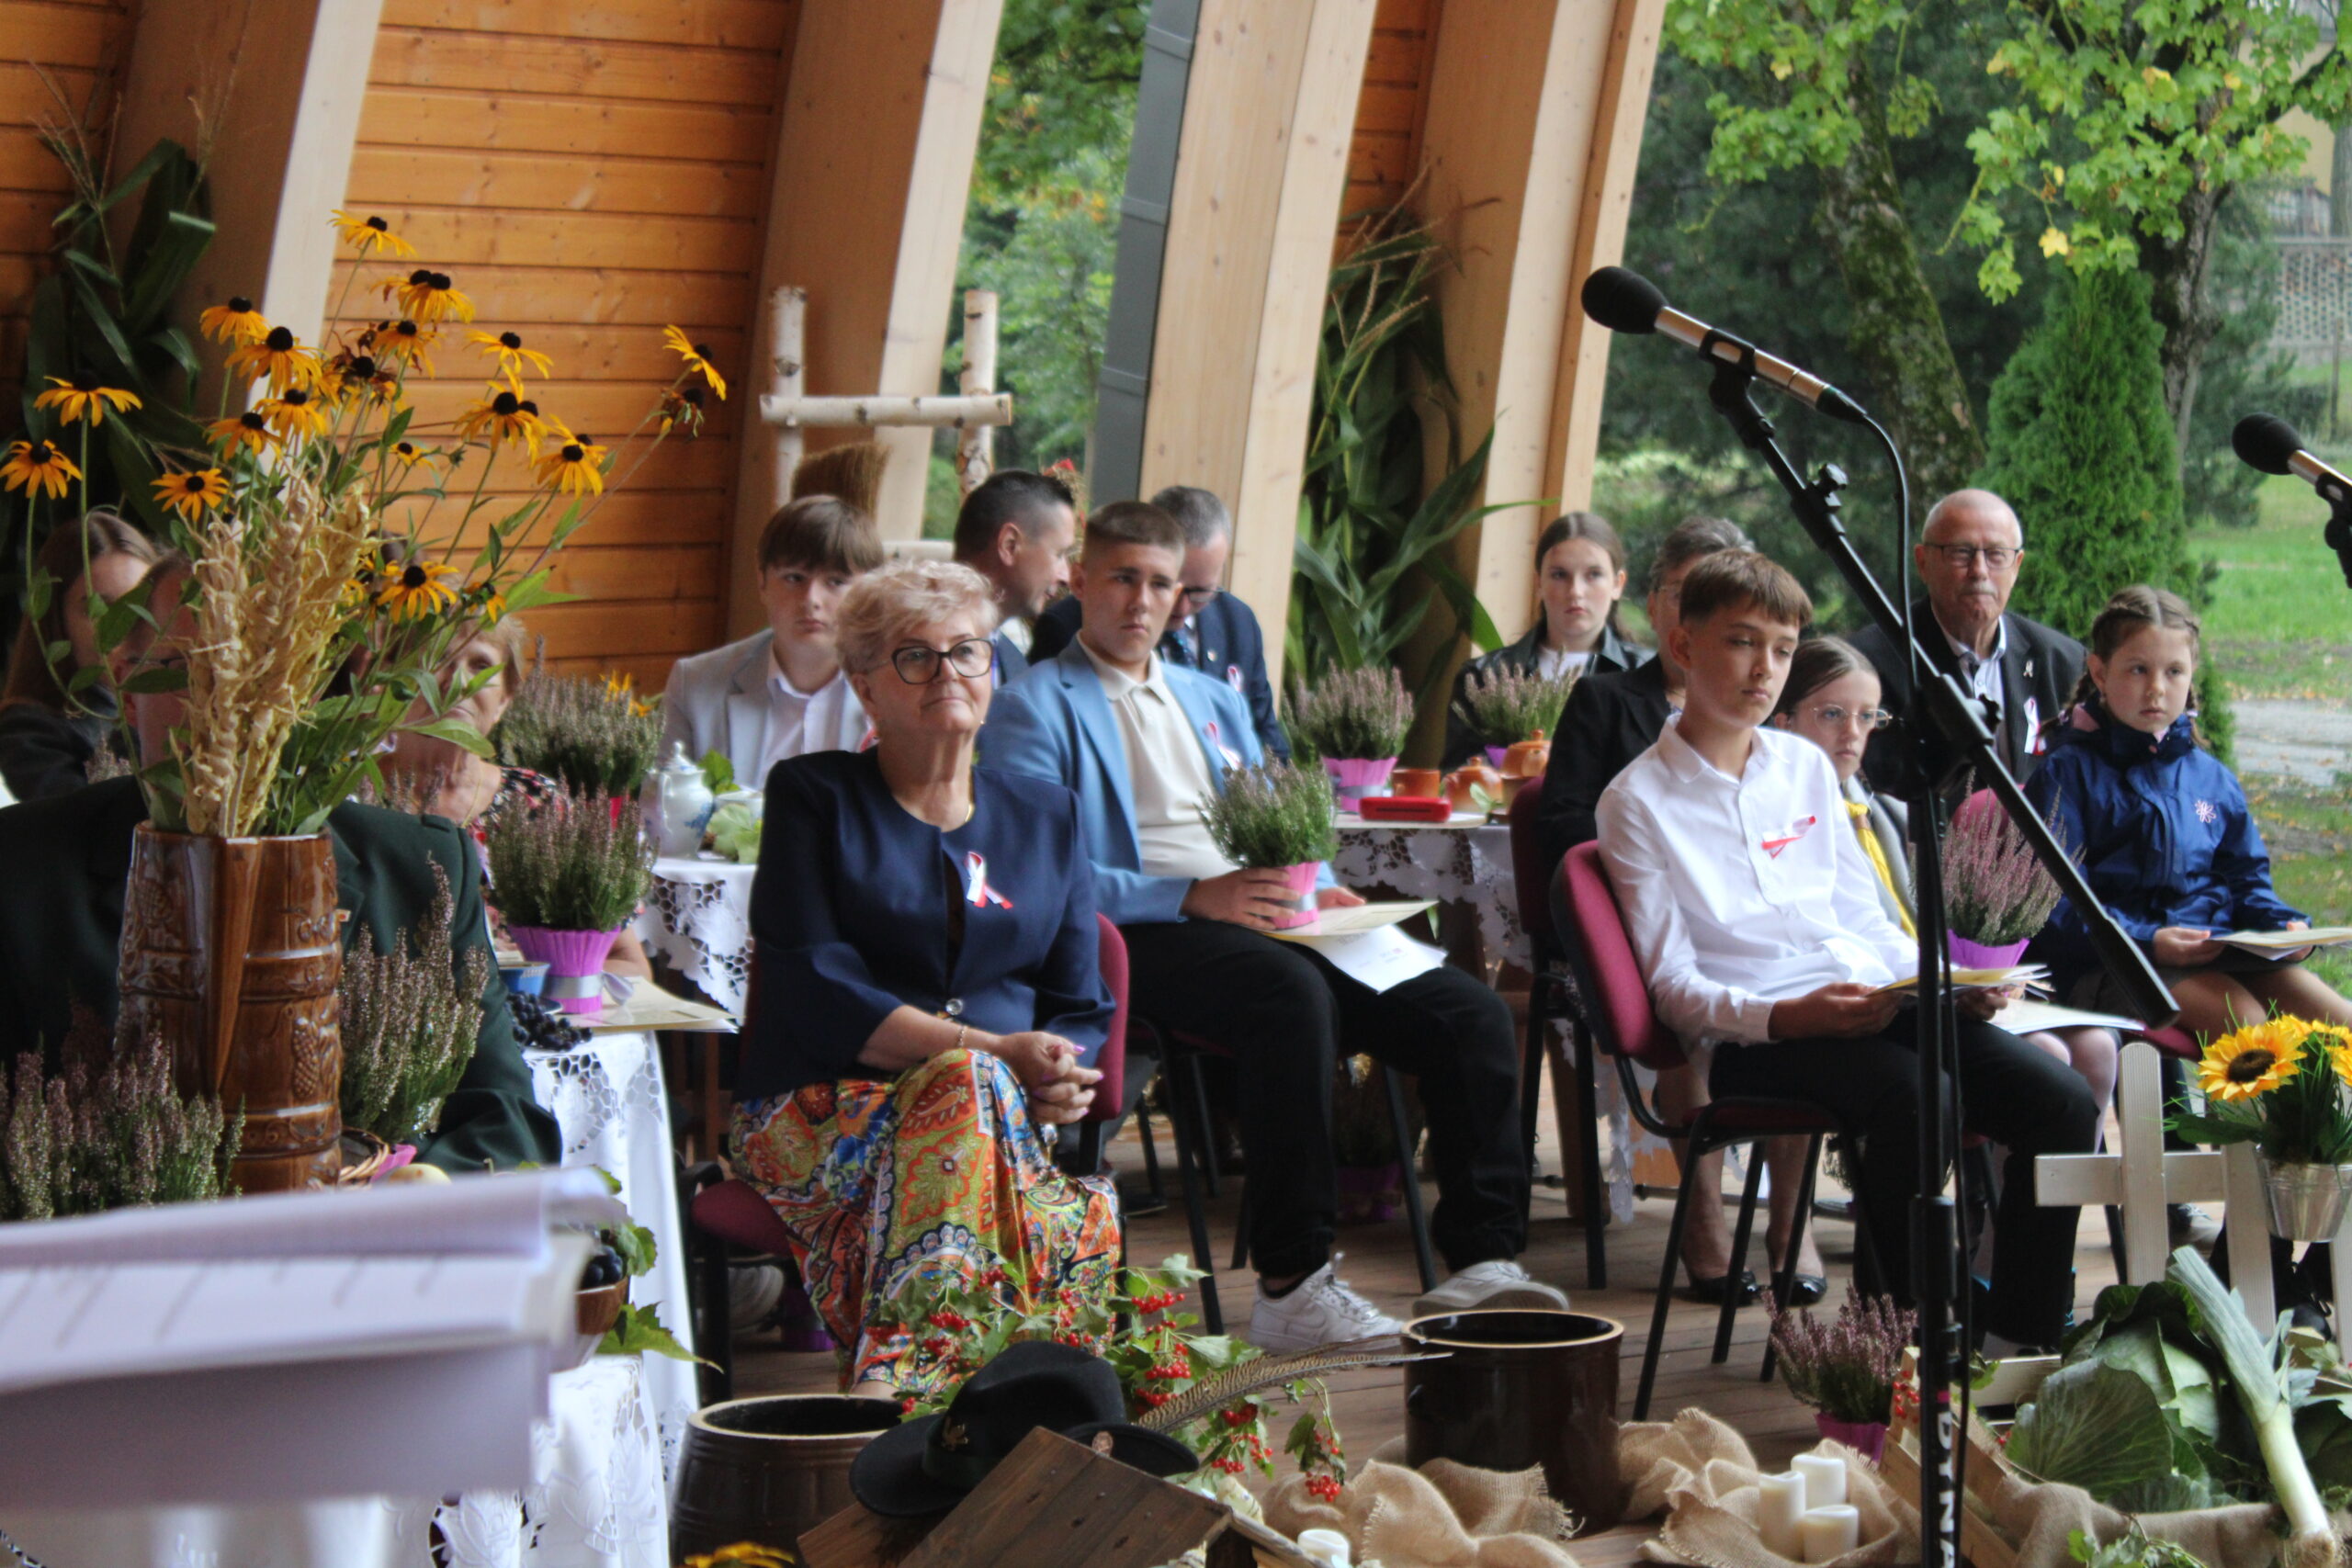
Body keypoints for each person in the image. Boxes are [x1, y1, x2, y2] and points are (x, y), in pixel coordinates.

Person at [986, 500, 1563, 1349]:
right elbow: (1042, 873)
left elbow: (1284, 810)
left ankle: (1482, 1263)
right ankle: (1294, 1284)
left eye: (1162, 584)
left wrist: (1319, 883)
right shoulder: (1034, 705)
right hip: (1142, 929)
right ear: (1079, 580)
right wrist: (1194, 894)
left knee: (1465, 1008)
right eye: (1122, 579)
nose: (1143, 602)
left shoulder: (1205, 694)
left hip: (1268, 915)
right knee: (1287, 998)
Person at [1598, 550, 2098, 1353]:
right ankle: (1905, 1343)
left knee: (2063, 1100)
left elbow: (1860, 915)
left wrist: (1939, 982)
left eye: (1785, 649)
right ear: (1684, 647)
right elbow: (1671, 987)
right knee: (1915, 1097)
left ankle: (2021, 1342)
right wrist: (1789, 1016)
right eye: (1742, 642)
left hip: (1869, 999)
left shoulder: (1800, 764)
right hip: (1755, 1038)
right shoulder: (1635, 801)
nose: (1767, 670)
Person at [0, 556, 557, 1173]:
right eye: (196, 669)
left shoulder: (420, 870)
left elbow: (509, 1126)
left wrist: (430, 1188)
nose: (232, 703)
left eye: (265, 670)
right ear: (131, 691)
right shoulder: (22, 868)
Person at [733, 557, 1119, 1397]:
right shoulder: (812, 795)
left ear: (992, 672)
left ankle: (899, 1392)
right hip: (821, 1106)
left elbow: (1080, 1001)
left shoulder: (1046, 811)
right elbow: (814, 984)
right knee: (969, 1089)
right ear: (866, 687)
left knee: (974, 1098)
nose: (947, 672)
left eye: (966, 652)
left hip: (1003, 1116)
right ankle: (1020, 1392)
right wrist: (990, 1053)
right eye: (916, 656)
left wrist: (1055, 1068)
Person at [1533, 515, 1810, 1303]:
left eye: (1774, 643)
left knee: (1798, 978)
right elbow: (1565, 833)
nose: (1759, 660)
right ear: (1667, 613)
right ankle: (1705, 1224)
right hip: (1640, 917)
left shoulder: (1774, 731)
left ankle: (1792, 1225)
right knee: (1689, 1011)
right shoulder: (1606, 701)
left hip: (1743, 918)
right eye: (1693, 597)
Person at [1772, 637, 2119, 1116]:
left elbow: (1921, 917)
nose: (1853, 733)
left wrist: (1971, 979)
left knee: (2094, 1050)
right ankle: (1984, 1191)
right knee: (2049, 1059)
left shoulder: (1889, 811)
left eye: (1868, 716)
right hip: (1867, 1000)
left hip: (1925, 984)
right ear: (1781, 720)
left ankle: (2029, 1191)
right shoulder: (1781, 820)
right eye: (1833, 714)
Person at [2025, 586, 2352, 1037]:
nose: (2157, 688)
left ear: (2191, 673)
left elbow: (2246, 880)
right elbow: (2052, 909)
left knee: (2341, 1023)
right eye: (2138, 669)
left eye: (2174, 671)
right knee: (2250, 1028)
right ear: (2099, 672)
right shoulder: (2067, 774)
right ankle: (2257, 1111)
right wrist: (2148, 941)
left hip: (2217, 953)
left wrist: (2284, 927)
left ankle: (2310, 1112)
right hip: (2115, 966)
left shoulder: (2210, 777)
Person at [379, 615, 650, 978]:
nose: (458, 681)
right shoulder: (341, 803)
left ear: (505, 699)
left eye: (480, 665)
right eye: (436, 659)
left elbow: (629, 963)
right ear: (389, 684)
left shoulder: (539, 803)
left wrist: (528, 980)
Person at [1028, 485, 1289, 761]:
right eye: (1166, 584)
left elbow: (1268, 741)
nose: (1183, 607)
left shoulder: (1238, 622)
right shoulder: (1071, 626)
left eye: (1200, 592)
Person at [1849, 489, 2085, 792]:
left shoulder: (2063, 661)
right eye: (1961, 552)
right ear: (1923, 562)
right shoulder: (1870, 663)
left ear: (2017, 566)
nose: (1979, 571)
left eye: (1996, 555)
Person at [661, 495, 884, 787]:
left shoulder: (891, 688)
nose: (811, 600)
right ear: (762, 583)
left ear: (868, 593)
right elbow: (664, 814)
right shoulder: (696, 684)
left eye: (836, 581)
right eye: (794, 578)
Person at [1441, 512, 1645, 768]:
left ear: (1618, 584)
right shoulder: (1485, 676)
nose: (1576, 592)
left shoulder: (1648, 675)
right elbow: (1458, 777)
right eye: (1560, 575)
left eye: (1593, 575)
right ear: (1539, 582)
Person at [0, 510, 159, 801]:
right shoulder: (29, 730)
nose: (123, 624)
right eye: (99, 608)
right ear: (57, 622)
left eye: (137, 604)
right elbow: (82, 833)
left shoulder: (177, 705)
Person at [951, 468, 1079, 682]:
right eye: (1059, 554)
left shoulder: (1015, 664)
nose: (1066, 576)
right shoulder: (914, 649)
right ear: (1009, 545)